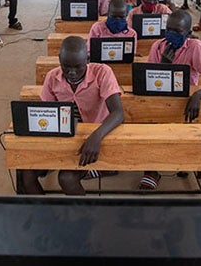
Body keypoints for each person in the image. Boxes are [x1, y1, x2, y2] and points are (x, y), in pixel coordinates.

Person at [20, 36, 124, 195]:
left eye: (78, 67)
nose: (72, 73)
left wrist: (96, 136)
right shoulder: (52, 77)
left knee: (66, 178)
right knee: (25, 173)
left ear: (87, 60)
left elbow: (118, 113)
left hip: (96, 136)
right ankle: (42, 214)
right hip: (64, 136)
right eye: (66, 66)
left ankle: (83, 216)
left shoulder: (102, 72)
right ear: (59, 59)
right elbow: (47, 113)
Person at [141, 10, 201, 190]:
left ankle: (181, 160)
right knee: (147, 125)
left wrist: (198, 94)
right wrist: (164, 64)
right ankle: (151, 170)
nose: (171, 35)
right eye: (168, 30)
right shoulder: (157, 46)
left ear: (187, 33)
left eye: (177, 31)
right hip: (159, 99)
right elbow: (150, 80)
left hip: (184, 101)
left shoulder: (195, 47)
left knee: (184, 128)